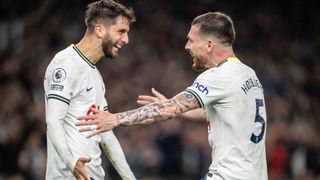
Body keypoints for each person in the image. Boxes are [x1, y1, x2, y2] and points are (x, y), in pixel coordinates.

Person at [77, 12, 268, 179]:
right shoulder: (248, 74)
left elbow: (167, 110)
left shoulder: (218, 76)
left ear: (209, 44)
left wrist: (115, 119)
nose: (187, 46)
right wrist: (175, 108)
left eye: (192, 40)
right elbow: (221, 112)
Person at [43, 0, 136, 179]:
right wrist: (72, 163)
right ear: (100, 30)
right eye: (121, 31)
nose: (126, 40)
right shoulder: (65, 63)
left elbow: (106, 133)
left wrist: (129, 177)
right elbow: (54, 121)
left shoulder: (94, 74)